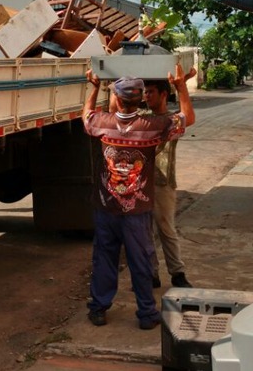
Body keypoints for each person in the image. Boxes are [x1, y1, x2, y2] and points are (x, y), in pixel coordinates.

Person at [83, 65, 193, 330]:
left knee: (104, 258)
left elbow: (85, 115)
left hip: (107, 207)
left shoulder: (103, 124)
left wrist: (94, 86)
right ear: (141, 99)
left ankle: (99, 308)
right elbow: (187, 118)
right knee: (140, 261)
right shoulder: (151, 127)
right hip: (137, 210)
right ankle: (146, 313)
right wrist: (181, 86)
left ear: (117, 99)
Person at [143, 70, 196, 289]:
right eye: (145, 92)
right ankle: (151, 273)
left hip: (163, 183)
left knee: (166, 229)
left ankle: (177, 273)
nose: (147, 96)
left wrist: (181, 86)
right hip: (141, 185)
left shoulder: (169, 120)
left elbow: (189, 117)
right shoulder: (141, 119)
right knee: (144, 232)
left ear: (164, 94)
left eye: (151, 92)